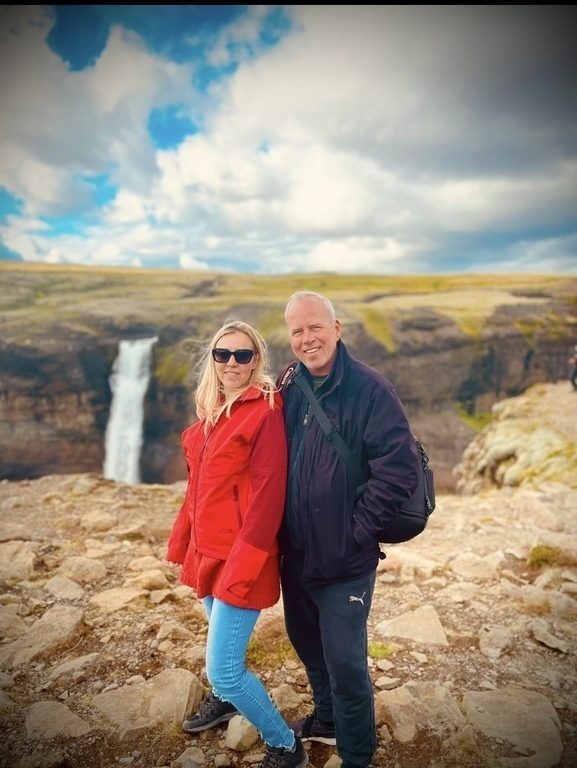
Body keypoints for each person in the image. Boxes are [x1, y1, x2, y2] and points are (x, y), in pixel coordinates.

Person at [277, 291, 421, 768]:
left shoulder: (372, 390)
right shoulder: (289, 383)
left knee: (346, 663)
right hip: (296, 553)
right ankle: (326, 719)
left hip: (344, 559)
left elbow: (399, 471)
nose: (307, 338)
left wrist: (357, 532)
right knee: (305, 642)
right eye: (297, 331)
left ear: (336, 328)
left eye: (315, 327)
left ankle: (357, 755)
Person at [166, 320, 308, 768]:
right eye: (223, 354)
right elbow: (196, 493)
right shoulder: (212, 413)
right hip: (208, 553)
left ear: (256, 361)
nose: (231, 362)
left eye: (242, 355)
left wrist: (244, 567)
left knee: (224, 669)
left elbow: (268, 498)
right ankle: (227, 701)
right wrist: (181, 546)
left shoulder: (264, 411)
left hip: (241, 559)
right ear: (213, 359)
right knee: (223, 655)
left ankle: (286, 746)